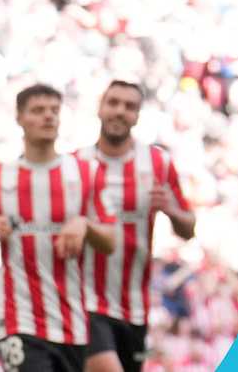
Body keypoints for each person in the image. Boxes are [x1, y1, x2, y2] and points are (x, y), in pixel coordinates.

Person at [0, 84, 116, 372]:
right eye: (38, 111)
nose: (48, 117)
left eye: (54, 111)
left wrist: (85, 225)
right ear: (20, 118)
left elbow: (110, 241)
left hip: (71, 320)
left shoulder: (86, 172)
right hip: (18, 317)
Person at [78, 81, 196, 372]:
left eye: (129, 106)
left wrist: (171, 209)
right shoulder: (75, 165)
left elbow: (188, 229)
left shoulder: (157, 162)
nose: (120, 111)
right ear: (100, 107)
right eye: (114, 103)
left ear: (138, 115)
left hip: (134, 306)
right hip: (85, 301)